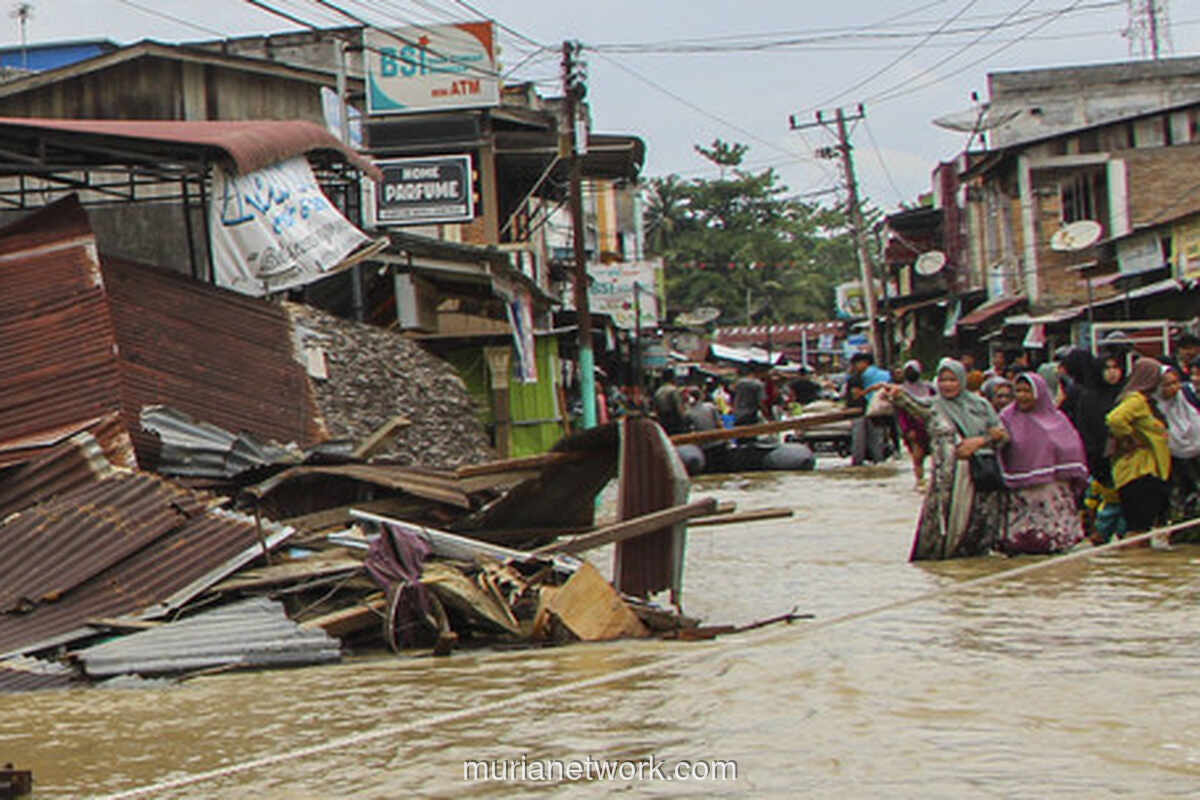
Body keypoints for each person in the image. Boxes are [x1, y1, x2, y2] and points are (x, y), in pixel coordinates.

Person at [885, 358, 1010, 560]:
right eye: (943, 380)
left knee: (975, 528)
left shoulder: (980, 405)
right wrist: (896, 394)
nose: (947, 385)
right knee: (943, 528)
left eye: (953, 380)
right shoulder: (933, 407)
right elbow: (910, 404)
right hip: (946, 480)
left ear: (962, 380)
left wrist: (979, 442)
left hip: (979, 475)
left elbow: (1002, 435)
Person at [996, 372, 1088, 554]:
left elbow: (1073, 450)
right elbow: (998, 447)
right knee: (1023, 545)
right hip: (1021, 492)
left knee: (1055, 546)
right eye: (1018, 391)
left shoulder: (1059, 420)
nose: (1022, 396)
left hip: (1053, 490)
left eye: (1027, 391)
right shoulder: (1007, 418)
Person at [1105, 358, 1172, 548]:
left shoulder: (1148, 402)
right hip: (1139, 472)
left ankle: (1141, 570)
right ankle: (1134, 568)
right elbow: (1115, 419)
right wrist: (1129, 437)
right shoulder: (1136, 400)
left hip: (1146, 472)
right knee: (1138, 530)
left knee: (1141, 529)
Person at [1156, 366, 1200, 520]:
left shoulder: (1186, 406)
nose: (1174, 388)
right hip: (1169, 463)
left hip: (1193, 459)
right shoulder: (1155, 410)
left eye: (1176, 383)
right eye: (1167, 384)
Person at [846, 352, 891, 465]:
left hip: (864, 411)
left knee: (865, 440)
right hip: (866, 411)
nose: (854, 366)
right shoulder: (857, 378)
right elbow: (856, 395)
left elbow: (855, 395)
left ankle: (862, 463)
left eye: (856, 363)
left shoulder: (861, 377)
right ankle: (875, 462)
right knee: (871, 440)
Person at [895, 360, 933, 490]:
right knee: (918, 457)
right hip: (914, 429)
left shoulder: (929, 388)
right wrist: (907, 429)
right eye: (908, 371)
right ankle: (920, 481)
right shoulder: (901, 391)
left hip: (930, 427)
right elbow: (901, 414)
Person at [652, 369, 688, 435]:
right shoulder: (673, 390)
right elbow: (679, 409)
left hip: (663, 423)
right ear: (672, 378)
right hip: (674, 424)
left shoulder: (658, 391)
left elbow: (655, 409)